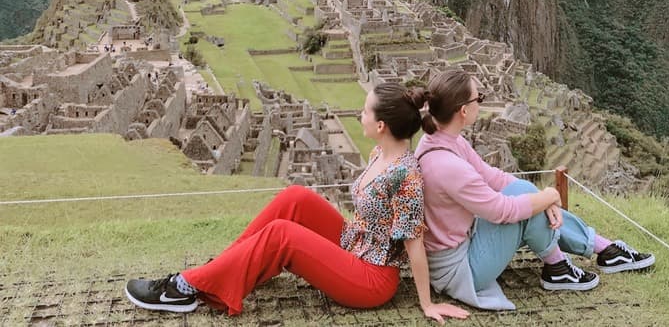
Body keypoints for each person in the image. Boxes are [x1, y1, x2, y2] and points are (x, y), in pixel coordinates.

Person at [125, 82, 469, 323]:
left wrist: (426, 303)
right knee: (296, 197)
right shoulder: (382, 152)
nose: (358, 116)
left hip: (371, 279)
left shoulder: (406, 176)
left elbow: (414, 243)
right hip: (355, 244)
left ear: (380, 125)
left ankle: (183, 288)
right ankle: (223, 267)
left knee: (282, 235)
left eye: (364, 112)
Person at [416, 69, 654, 310]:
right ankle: (561, 267)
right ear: (463, 111)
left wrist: (543, 199)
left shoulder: (445, 140)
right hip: (460, 269)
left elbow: (492, 177)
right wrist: (550, 195)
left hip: (468, 240)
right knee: (525, 203)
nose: (481, 102)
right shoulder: (447, 166)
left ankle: (600, 250)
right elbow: (502, 211)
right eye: (479, 98)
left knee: (522, 189)